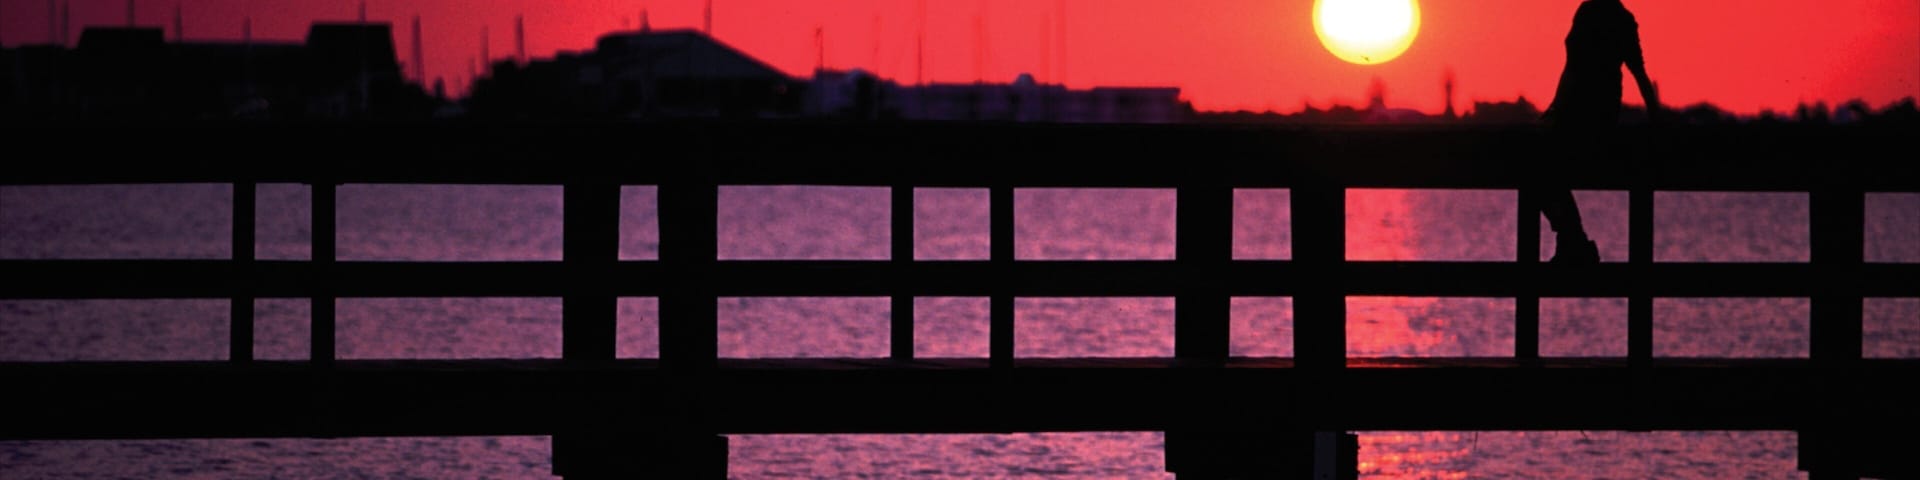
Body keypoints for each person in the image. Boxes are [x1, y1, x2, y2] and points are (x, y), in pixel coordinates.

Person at [1539, 0, 1661, 263]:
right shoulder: (1585, 11)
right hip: (1570, 110)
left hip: (1595, 114)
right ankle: (1573, 240)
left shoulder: (1621, 21)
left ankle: (1574, 241)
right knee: (1539, 171)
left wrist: (1657, 122)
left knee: (1543, 169)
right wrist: (1555, 106)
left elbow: (1639, 74)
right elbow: (1570, 67)